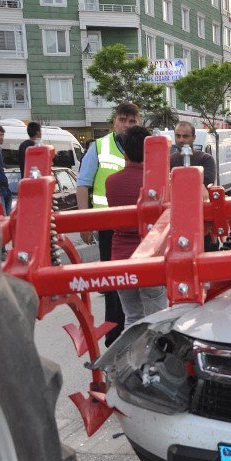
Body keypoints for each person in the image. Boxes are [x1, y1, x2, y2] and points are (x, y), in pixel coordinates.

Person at [75, 101, 140, 345]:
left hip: (139, 227)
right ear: (114, 121)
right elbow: (83, 184)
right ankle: (114, 336)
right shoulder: (99, 147)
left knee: (143, 281)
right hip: (109, 227)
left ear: (138, 122)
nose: (126, 125)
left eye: (131, 121)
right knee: (113, 282)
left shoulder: (144, 146)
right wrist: (84, 221)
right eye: (122, 120)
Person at [103, 125, 167, 328]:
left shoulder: (111, 181)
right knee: (157, 321)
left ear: (125, 151)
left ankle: (133, 358)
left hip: (122, 259)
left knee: (132, 318)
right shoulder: (160, 184)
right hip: (152, 259)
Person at [170, 121, 216, 187]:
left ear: (194, 138)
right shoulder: (169, 161)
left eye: (185, 136)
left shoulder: (206, 159)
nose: (181, 140)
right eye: (178, 136)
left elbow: (207, 184)